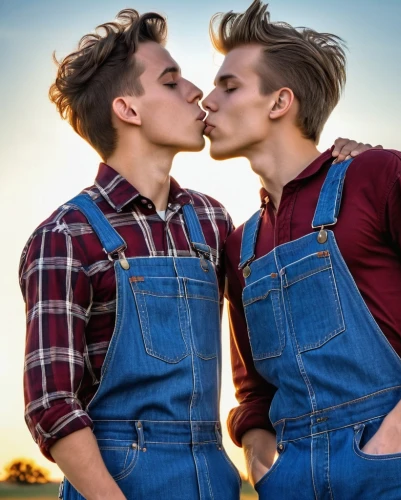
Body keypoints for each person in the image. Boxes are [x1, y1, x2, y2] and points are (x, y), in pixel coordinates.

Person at [18, 8, 370, 500]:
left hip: (214, 480)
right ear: (128, 110)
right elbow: (51, 403)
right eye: (170, 81)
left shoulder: (212, 222)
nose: (195, 93)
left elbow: (266, 343)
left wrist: (342, 166)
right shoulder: (65, 236)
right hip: (116, 483)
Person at [202, 1, 401, 498]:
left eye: (229, 87)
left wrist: (398, 433)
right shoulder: (239, 245)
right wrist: (260, 460)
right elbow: (253, 387)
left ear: (280, 102)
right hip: (290, 476)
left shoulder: (381, 177)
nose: (207, 101)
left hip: (393, 468)